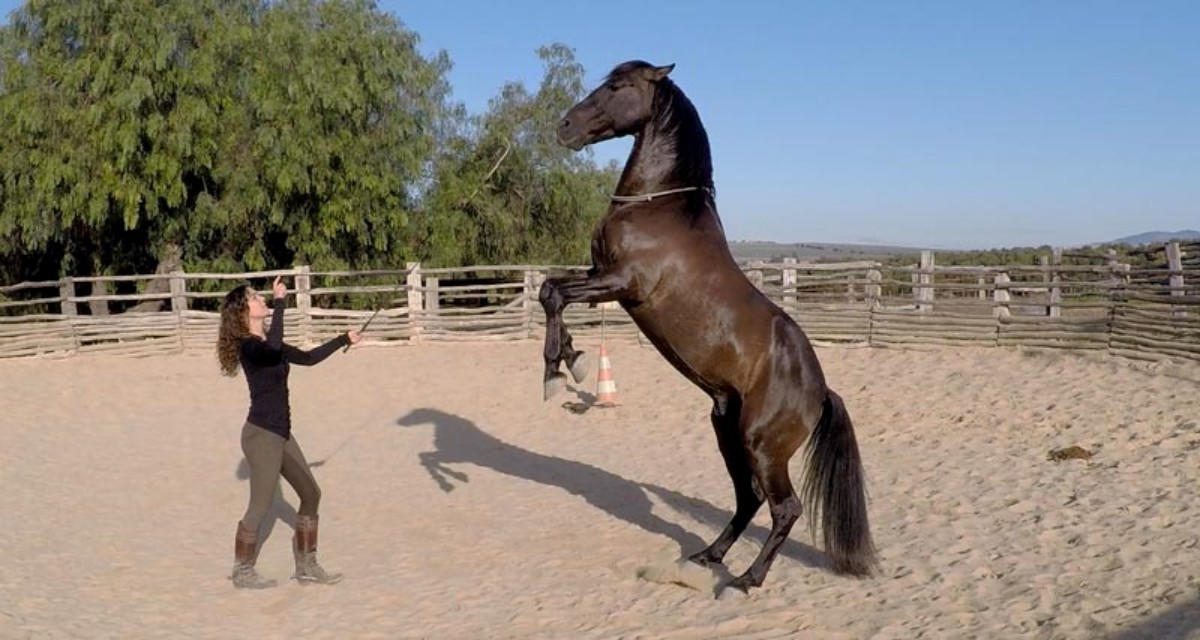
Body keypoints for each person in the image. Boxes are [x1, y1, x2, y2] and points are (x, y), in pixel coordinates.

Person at [216, 275, 361, 589]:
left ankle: (307, 565)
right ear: (243, 311)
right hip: (260, 436)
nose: (262, 299)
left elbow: (307, 359)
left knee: (311, 494)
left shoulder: (270, 342)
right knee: (261, 505)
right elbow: (272, 349)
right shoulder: (250, 347)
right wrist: (281, 301)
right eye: (256, 297)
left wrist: (343, 339)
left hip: (281, 434)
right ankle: (242, 571)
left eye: (262, 296)